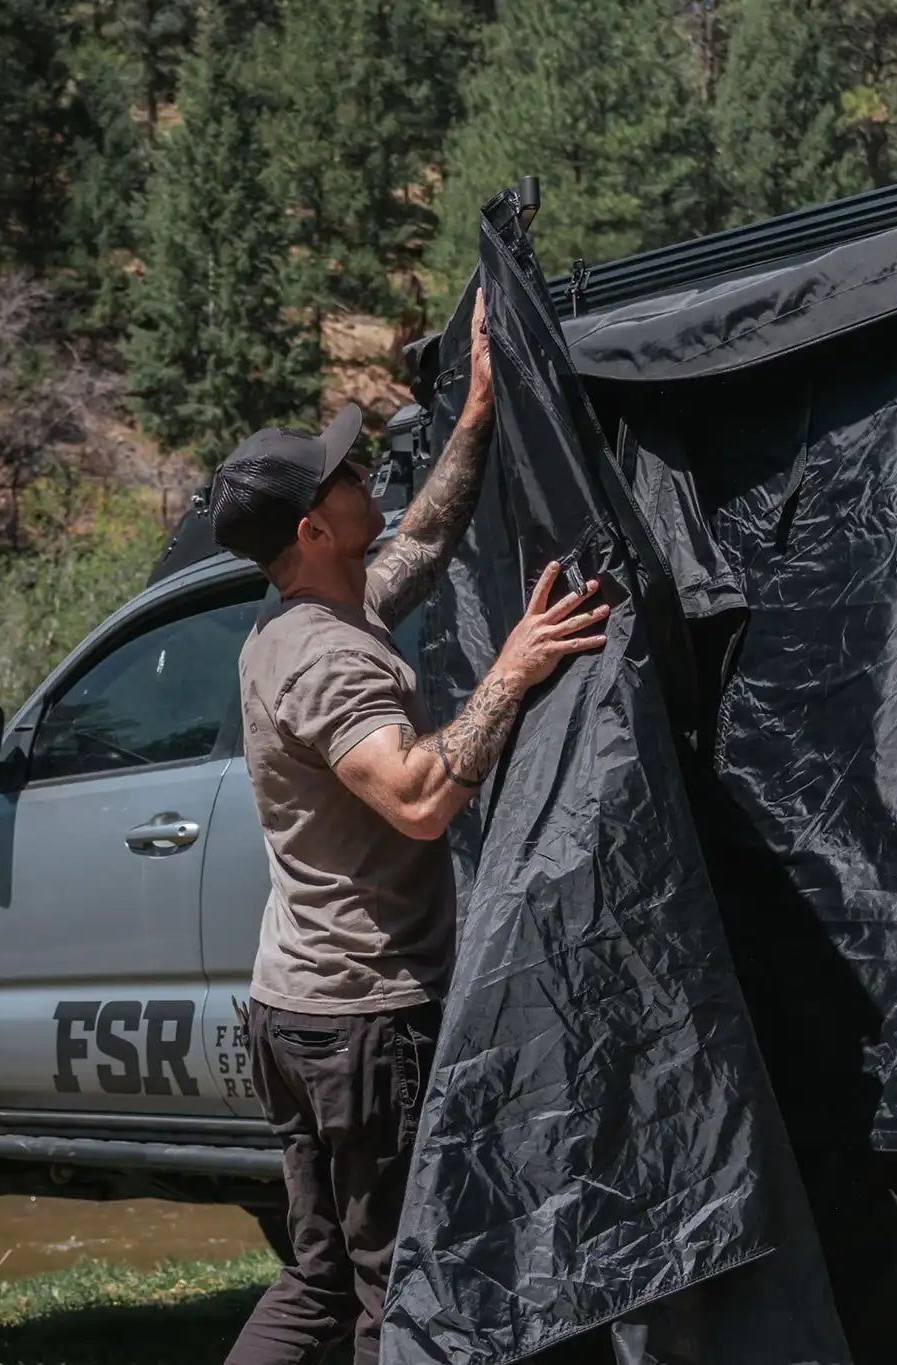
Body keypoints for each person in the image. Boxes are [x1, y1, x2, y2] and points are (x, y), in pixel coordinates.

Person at [209, 290, 609, 1365]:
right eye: (344, 478)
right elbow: (421, 799)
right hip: (361, 1025)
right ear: (312, 526)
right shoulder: (329, 659)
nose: (361, 479)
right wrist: (516, 667)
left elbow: (424, 537)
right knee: (398, 1277)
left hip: (297, 1004)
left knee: (320, 1274)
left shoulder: (305, 616)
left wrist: (477, 409)